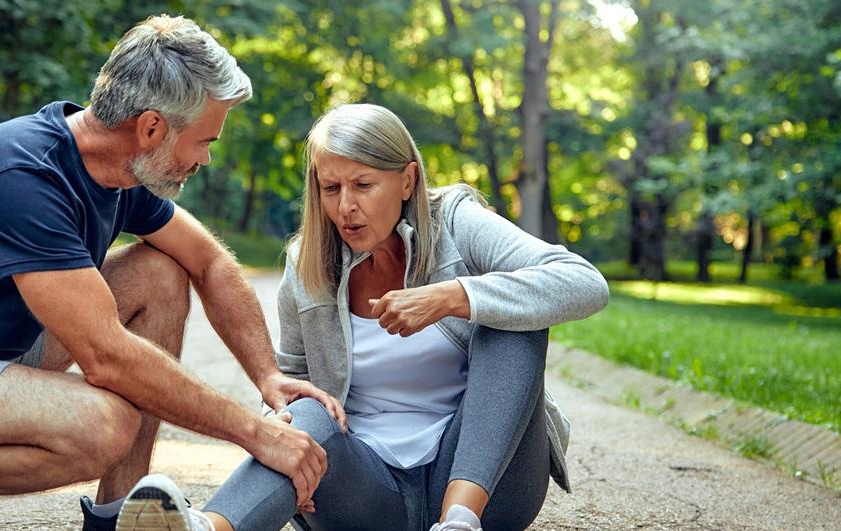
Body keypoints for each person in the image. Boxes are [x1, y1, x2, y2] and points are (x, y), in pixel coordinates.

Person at [0, 15, 345, 531]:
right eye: (205, 141)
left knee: (162, 270)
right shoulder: (25, 176)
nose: (205, 158)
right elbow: (106, 355)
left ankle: (121, 514)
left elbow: (207, 261)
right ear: (152, 127)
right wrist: (256, 433)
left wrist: (267, 376)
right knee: (100, 428)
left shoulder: (119, 173)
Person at [133, 103, 609, 531]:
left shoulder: (456, 224)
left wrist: (453, 296)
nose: (345, 207)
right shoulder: (308, 264)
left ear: (407, 180)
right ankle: (207, 528)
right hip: (366, 494)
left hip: (489, 489)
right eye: (330, 187)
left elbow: (584, 283)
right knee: (302, 405)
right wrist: (286, 441)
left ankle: (458, 523)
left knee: (512, 321)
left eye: (363, 185)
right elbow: (292, 382)